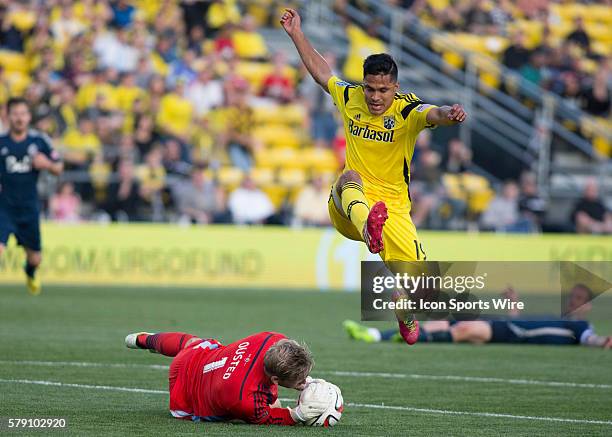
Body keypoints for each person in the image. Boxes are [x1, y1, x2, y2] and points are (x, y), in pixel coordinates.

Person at [281, 8, 467, 345]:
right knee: (348, 175)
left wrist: (449, 115)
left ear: (395, 87)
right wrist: (297, 34)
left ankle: (405, 312)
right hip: (351, 207)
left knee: (423, 287)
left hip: (393, 211)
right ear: (363, 84)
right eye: (370, 89)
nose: (376, 97)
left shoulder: (407, 110)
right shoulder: (350, 97)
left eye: (383, 90)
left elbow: (433, 113)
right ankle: (368, 225)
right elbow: (324, 74)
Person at [124, 330, 336, 425]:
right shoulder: (246, 401)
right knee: (274, 403)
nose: (304, 382)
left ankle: (146, 339)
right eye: (300, 380)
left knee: (193, 343)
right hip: (185, 400)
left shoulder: (273, 338)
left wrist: (301, 378)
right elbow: (270, 418)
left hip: (193, 357)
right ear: (275, 380)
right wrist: (298, 415)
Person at [343, 284, 612, 348]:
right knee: (449, 321)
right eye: (572, 297)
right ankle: (377, 334)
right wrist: (514, 305)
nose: (573, 302)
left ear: (587, 306)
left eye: (579, 300)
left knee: (463, 330)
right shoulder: (559, 317)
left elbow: (591, 338)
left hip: (510, 334)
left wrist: (602, 341)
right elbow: (526, 320)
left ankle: (415, 338)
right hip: (507, 323)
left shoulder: (580, 326)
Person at [0, 97, 64, 295]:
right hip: (4, 207)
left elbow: (59, 167)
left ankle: (30, 271)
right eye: (15, 114)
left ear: (29, 117)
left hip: (28, 208)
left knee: (35, 258)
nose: (19, 118)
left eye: (23, 114)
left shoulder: (39, 141)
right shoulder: (1, 142)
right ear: (8, 116)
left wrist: (47, 165)